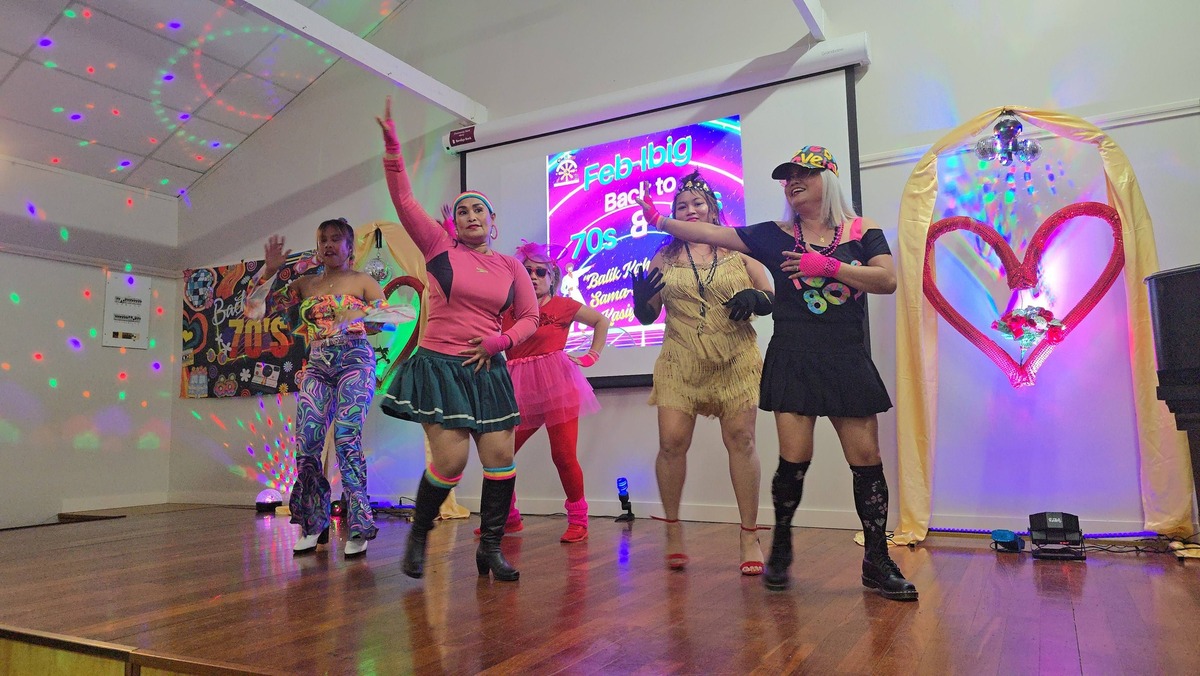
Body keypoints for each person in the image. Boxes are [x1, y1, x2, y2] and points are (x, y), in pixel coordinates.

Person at [634, 146, 918, 601]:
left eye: (804, 173)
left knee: (867, 461)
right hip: (794, 356)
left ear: (830, 179)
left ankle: (877, 560)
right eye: (788, 177)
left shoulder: (863, 231)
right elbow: (711, 231)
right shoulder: (774, 234)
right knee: (794, 461)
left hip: (846, 357)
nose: (793, 182)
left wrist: (828, 266)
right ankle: (780, 547)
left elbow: (886, 280)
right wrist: (661, 221)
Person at [374, 97, 539, 582]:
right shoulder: (438, 246)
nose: (470, 216)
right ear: (455, 222)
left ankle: (490, 548)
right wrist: (393, 153)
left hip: (488, 367)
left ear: (492, 221)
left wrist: (499, 343)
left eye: (478, 210)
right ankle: (420, 533)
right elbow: (404, 201)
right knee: (450, 462)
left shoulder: (510, 266)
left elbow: (530, 317)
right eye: (463, 210)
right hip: (440, 366)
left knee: (501, 459)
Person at [628, 170, 775, 575]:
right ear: (673, 214)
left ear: (712, 209)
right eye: (681, 206)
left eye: (697, 203)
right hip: (680, 359)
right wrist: (640, 304)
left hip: (735, 358)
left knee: (742, 441)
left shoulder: (740, 249)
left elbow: (770, 294)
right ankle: (673, 530)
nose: (689, 210)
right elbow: (649, 314)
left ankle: (749, 535)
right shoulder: (663, 257)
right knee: (671, 442)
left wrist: (756, 299)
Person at [244, 218, 387, 557]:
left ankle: (359, 524)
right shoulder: (305, 284)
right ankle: (312, 523)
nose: (328, 245)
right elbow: (254, 310)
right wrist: (270, 271)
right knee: (307, 442)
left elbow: (390, 318)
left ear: (350, 247)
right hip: (318, 365)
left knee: (346, 438)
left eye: (336, 239)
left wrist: (359, 315)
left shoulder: (363, 281)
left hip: (355, 362)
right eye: (323, 239)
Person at [483, 240, 610, 543]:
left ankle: (578, 520)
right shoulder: (508, 310)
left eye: (540, 272)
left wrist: (592, 355)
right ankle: (507, 518)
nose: (533, 276)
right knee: (500, 454)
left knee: (563, 455)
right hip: (519, 388)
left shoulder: (563, 305)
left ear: (552, 276)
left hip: (557, 386)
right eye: (527, 271)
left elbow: (601, 320)